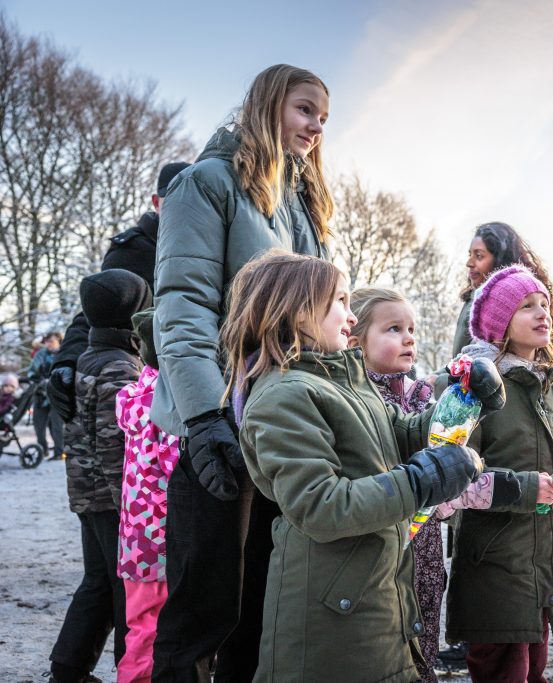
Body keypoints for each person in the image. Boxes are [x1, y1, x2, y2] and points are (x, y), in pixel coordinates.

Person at [221, 253, 499, 681]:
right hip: (331, 609)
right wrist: (424, 479)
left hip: (370, 590)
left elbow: (403, 435)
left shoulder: (343, 383)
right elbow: (320, 506)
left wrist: (467, 402)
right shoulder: (284, 395)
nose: (351, 316)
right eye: (340, 302)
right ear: (297, 308)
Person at [150, 65, 332, 682]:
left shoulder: (302, 206)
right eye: (305, 109)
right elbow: (183, 306)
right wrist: (203, 418)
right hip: (224, 421)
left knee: (262, 604)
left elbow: (316, 318)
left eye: (323, 118)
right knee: (207, 608)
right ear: (269, 103)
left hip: (286, 420)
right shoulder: (206, 185)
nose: (315, 126)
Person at [346, 287, 520, 682]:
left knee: (423, 621)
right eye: (393, 329)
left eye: (411, 328)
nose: (409, 337)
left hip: (424, 543)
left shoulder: (424, 396)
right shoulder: (353, 400)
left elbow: (448, 458)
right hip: (380, 541)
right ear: (355, 344)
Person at [447, 265, 553, 683]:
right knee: (503, 667)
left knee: (535, 665)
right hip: (495, 560)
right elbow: (455, 472)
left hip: (545, 560)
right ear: (499, 323)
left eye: (545, 304)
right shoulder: (475, 389)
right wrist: (531, 488)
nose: (542, 313)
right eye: (526, 306)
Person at [49, 269, 151, 683]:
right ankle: (132, 669)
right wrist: (133, 508)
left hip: (87, 493)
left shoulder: (89, 357)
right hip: (113, 499)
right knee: (127, 587)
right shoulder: (118, 367)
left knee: (98, 581)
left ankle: (68, 667)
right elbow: (116, 446)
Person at [46, 162, 189, 424]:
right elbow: (98, 311)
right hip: (137, 378)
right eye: (174, 202)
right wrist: (65, 361)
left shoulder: (212, 245)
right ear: (157, 203)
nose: (183, 212)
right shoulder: (136, 250)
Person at [113, 308, 180, 683]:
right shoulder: (170, 402)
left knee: (139, 626)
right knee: (160, 630)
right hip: (164, 536)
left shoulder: (134, 396)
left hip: (133, 539)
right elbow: (175, 468)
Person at [453, 222, 553, 358]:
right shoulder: (471, 302)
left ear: (500, 258)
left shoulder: (533, 308)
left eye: (479, 255)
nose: (469, 263)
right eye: (470, 255)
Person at [27, 331, 65, 459]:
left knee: (57, 425)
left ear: (59, 341)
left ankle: (59, 452)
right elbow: (31, 373)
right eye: (47, 341)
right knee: (38, 426)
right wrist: (42, 383)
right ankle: (42, 450)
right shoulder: (41, 354)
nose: (48, 344)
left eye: (52, 341)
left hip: (57, 395)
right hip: (41, 394)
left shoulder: (64, 354)